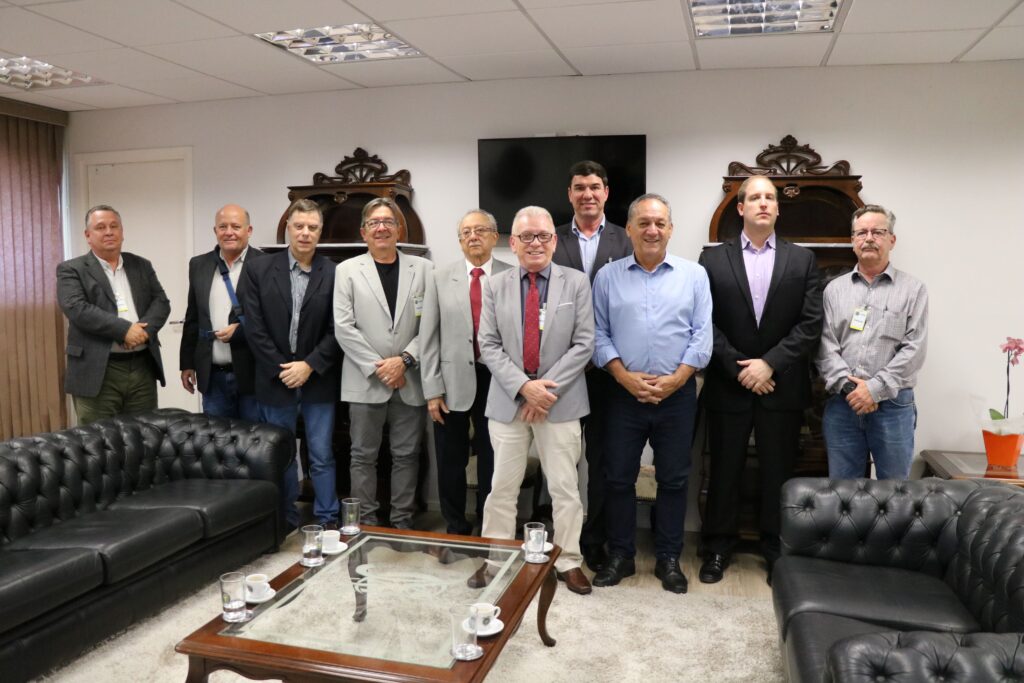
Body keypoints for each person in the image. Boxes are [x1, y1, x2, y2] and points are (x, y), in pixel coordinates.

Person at [698, 175, 822, 586]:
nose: (763, 203)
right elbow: (704, 323)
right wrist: (740, 368)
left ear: (777, 208)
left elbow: (809, 325)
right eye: (754, 197)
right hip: (727, 385)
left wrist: (769, 364)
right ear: (741, 208)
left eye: (770, 197)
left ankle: (776, 549)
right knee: (724, 471)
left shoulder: (802, 260)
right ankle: (716, 547)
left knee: (777, 473)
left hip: (781, 386)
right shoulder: (712, 259)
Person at [590, 193, 712, 594]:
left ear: (671, 229)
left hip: (676, 396)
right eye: (643, 223)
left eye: (660, 223)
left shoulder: (694, 275)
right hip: (622, 394)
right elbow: (598, 333)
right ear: (629, 229)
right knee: (618, 477)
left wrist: (678, 379)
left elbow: (702, 335)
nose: (652, 230)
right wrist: (624, 376)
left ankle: (668, 559)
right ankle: (621, 555)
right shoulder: (608, 277)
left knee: (674, 480)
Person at [473, 205, 594, 595]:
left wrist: (543, 390)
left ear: (555, 241)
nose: (536, 242)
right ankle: (495, 560)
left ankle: (570, 560)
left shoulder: (576, 283)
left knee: (565, 488)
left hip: (560, 403)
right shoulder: (495, 285)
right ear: (512, 243)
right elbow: (487, 345)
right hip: (509, 403)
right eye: (527, 236)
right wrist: (524, 388)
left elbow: (584, 344)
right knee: (501, 489)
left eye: (543, 235)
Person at [333, 197, 434, 530]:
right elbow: (343, 328)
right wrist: (381, 367)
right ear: (364, 231)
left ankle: (403, 521)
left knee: (407, 455)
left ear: (398, 229)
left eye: (387, 222)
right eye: (374, 223)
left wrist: (404, 360)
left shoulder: (423, 269)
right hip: (366, 381)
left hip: (410, 378)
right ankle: (366, 524)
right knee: (363, 456)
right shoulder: (346, 271)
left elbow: (431, 325)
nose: (381, 228)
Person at [552, 160, 632, 571]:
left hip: (607, 374)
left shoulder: (626, 238)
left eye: (594, 186)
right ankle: (553, 539)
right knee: (558, 459)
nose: (587, 194)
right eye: (579, 187)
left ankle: (594, 539)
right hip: (561, 373)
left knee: (602, 460)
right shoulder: (551, 238)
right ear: (570, 194)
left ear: (606, 192)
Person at [242, 198, 341, 530]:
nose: (305, 233)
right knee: (281, 455)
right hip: (275, 380)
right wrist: (284, 369)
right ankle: (285, 519)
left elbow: (337, 329)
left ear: (320, 232)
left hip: (318, 380)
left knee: (322, 455)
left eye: (313, 228)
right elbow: (253, 328)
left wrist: (309, 366)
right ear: (288, 227)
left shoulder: (333, 272)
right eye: (299, 226)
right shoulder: (258, 269)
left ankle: (328, 520)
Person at [816, 204, 928, 479]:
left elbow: (914, 349)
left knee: (894, 494)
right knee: (843, 495)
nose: (868, 238)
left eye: (878, 232)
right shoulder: (834, 290)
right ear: (852, 240)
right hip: (843, 405)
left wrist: (873, 390)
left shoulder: (913, 290)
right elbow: (824, 346)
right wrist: (852, 390)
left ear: (892, 239)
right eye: (861, 232)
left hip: (893, 407)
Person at [420, 209, 512, 535]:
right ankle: (456, 527)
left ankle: (490, 527)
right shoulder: (438, 278)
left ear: (493, 236)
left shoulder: (511, 275)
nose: (473, 236)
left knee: (493, 459)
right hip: (450, 383)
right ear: (460, 241)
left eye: (480, 230)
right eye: (466, 232)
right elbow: (428, 337)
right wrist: (431, 390)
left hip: (497, 381)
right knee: (450, 460)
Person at [57, 204, 170, 424]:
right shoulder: (72, 269)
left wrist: (142, 332)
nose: (109, 232)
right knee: (98, 443)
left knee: (144, 436)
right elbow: (77, 308)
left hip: (141, 366)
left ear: (122, 232)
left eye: (114, 226)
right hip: (98, 368)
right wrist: (124, 330)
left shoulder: (141, 265)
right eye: (100, 227)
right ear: (88, 235)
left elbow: (161, 302)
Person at [179, 204, 266, 422]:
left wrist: (243, 329)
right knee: (217, 446)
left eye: (236, 226)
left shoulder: (266, 264)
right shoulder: (199, 264)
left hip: (253, 374)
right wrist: (187, 363)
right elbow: (193, 316)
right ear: (215, 230)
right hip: (212, 375)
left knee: (254, 446)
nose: (229, 232)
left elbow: (273, 318)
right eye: (223, 226)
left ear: (249, 230)